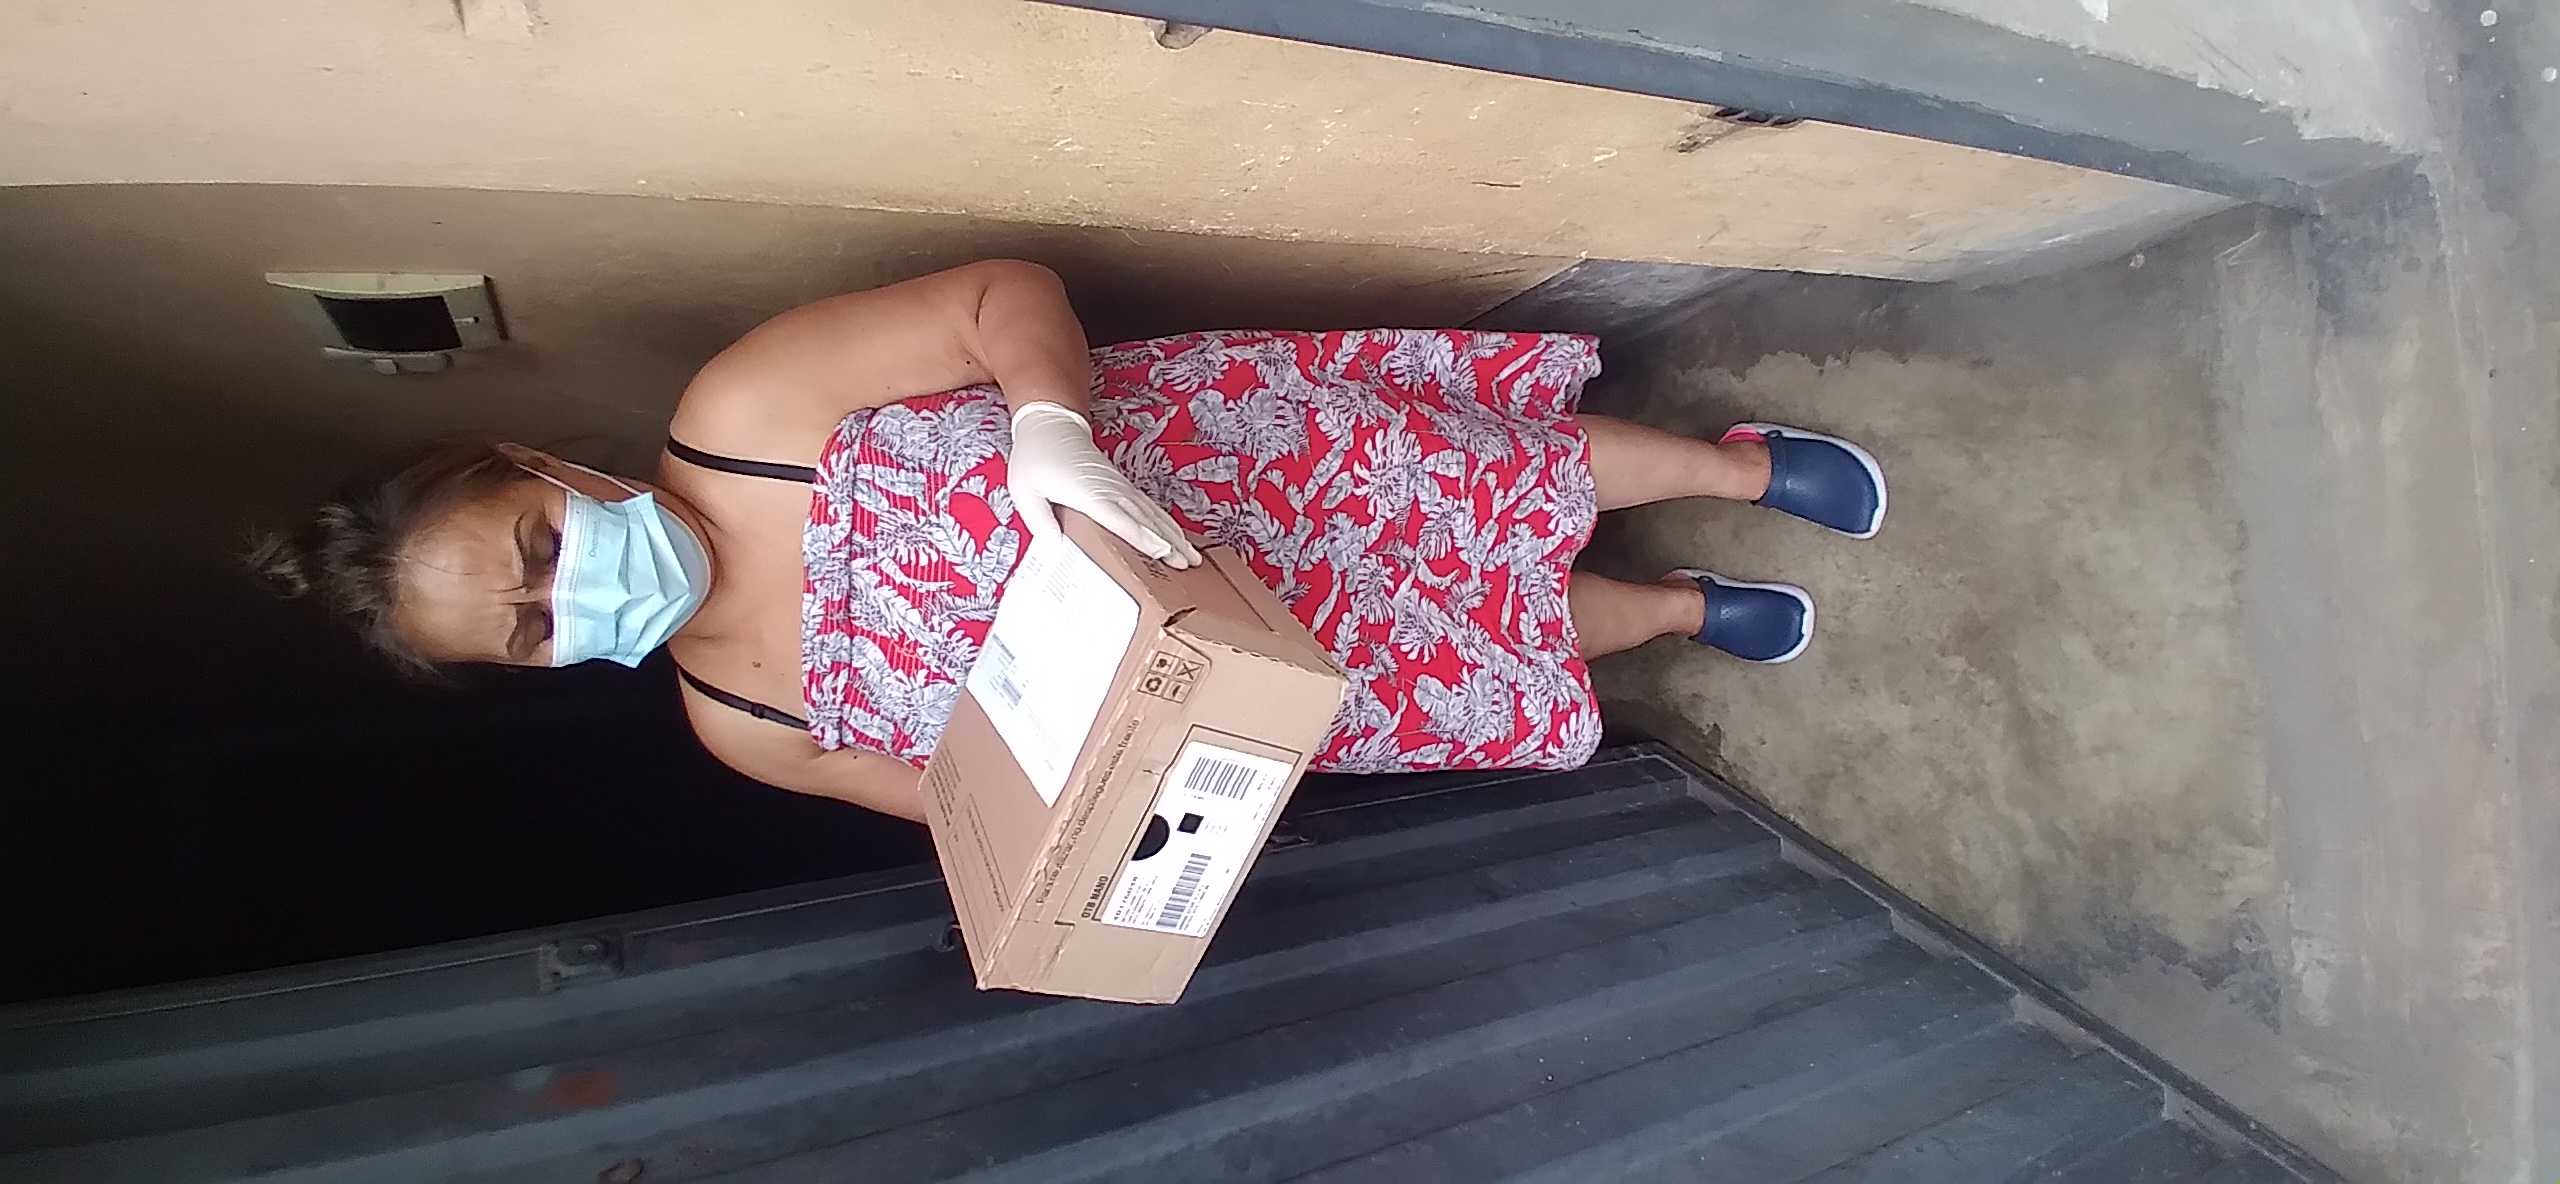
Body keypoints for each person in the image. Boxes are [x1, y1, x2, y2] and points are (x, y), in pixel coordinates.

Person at [252, 261, 1885, 822]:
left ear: (544, 468)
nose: (574, 596)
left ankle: (1730, 468)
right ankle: (1680, 610)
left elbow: (996, 298)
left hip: (1239, 470)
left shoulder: (747, 409)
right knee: (1449, 651)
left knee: (1475, 481)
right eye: (535, 626)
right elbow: (986, 803)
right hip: (1236, 657)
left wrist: (1048, 425)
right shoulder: (743, 721)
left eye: (541, 545)